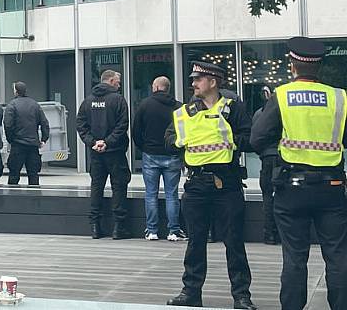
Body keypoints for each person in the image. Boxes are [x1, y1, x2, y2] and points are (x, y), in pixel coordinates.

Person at [251, 37, 347, 310]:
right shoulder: (339, 97)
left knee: (294, 258)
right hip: (332, 187)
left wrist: (278, 151)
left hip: (292, 187)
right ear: (320, 67)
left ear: (293, 65)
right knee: (338, 257)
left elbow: (257, 138)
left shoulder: (282, 95)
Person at [164, 62, 256, 310]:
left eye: (198, 79)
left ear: (213, 82)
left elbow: (250, 138)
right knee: (195, 241)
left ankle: (241, 295)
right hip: (196, 184)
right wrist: (178, 142)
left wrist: (229, 140)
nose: (193, 83)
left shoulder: (233, 109)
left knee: (234, 242)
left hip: (227, 183)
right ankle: (191, 291)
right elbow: (169, 139)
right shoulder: (185, 111)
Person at [76, 70, 131, 239]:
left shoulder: (87, 101)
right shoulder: (118, 100)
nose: (119, 85)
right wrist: (108, 142)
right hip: (115, 152)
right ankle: (118, 227)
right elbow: (123, 125)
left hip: (96, 154)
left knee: (96, 187)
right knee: (119, 187)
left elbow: (81, 124)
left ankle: (95, 227)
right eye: (118, 82)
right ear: (112, 81)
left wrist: (93, 142)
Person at [132, 76, 186, 242]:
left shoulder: (145, 105)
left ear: (155, 87)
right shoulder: (178, 107)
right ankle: (173, 231)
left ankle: (152, 230)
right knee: (172, 194)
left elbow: (136, 131)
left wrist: (144, 148)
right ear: (168, 88)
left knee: (151, 194)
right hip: (172, 154)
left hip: (150, 154)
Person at [4, 81, 49, 186]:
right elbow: (44, 123)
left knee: (14, 174)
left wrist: (10, 139)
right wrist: (44, 139)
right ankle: (35, 199)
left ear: (15, 91)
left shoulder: (12, 105)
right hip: (33, 145)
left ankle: (12, 198)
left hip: (18, 145)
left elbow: (8, 125)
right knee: (33, 174)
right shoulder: (35, 104)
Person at [251, 85, 279, 245]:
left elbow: (255, 138)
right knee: (283, 196)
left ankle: (269, 234)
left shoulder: (259, 114)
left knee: (267, 197)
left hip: (267, 158)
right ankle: (280, 232)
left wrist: (262, 153)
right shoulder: (284, 113)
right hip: (283, 158)